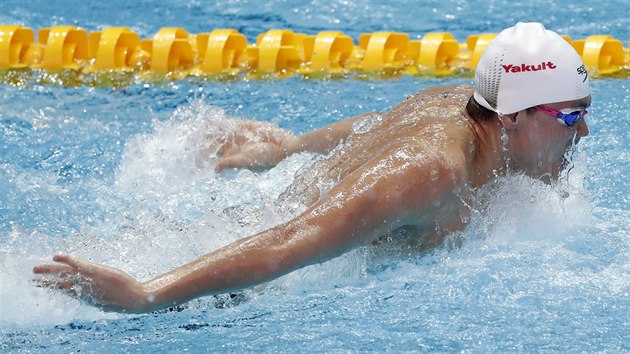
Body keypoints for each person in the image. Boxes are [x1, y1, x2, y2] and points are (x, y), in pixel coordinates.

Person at [33, 22, 591, 313]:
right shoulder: (432, 174)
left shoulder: (464, 104)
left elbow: (382, 119)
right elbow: (288, 242)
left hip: (289, 215)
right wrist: (147, 292)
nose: (582, 133)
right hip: (245, 260)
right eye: (570, 116)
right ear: (513, 116)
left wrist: (289, 148)